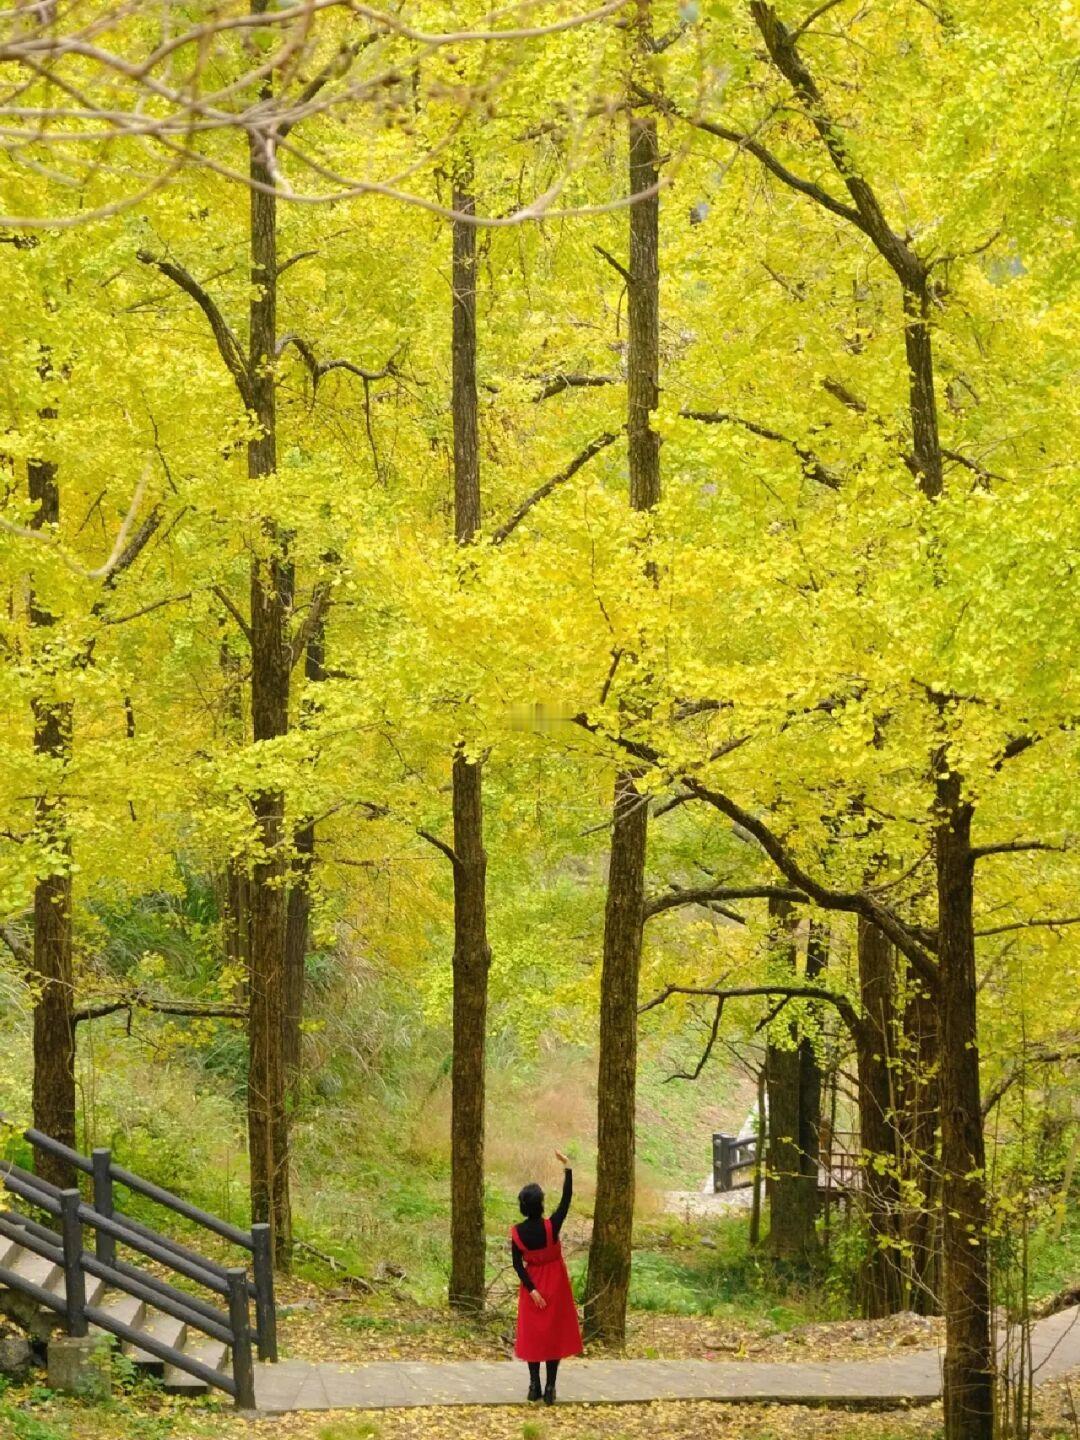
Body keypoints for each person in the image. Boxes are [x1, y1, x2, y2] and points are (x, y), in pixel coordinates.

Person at [511, 1148, 583, 1405]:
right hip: (555, 1283)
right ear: (541, 1204)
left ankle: (534, 1386)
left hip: (532, 1286)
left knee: (532, 1335)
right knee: (553, 1335)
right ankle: (551, 1388)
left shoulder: (517, 1233)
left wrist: (531, 1290)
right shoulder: (552, 1226)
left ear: (522, 1206)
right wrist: (568, 1167)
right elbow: (566, 1199)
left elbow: (517, 1264)